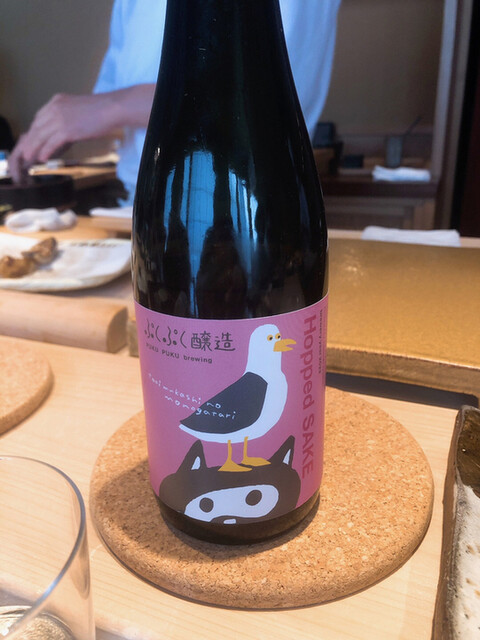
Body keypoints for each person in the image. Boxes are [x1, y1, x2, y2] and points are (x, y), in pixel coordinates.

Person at [8, 0, 341, 204]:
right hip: (141, 205)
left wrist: (108, 108)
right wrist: (63, 128)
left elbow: (254, 99)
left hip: (243, 205)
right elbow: (111, 107)